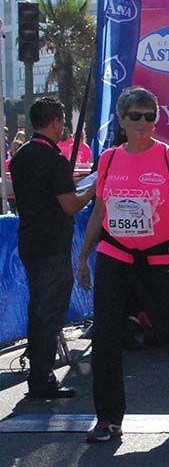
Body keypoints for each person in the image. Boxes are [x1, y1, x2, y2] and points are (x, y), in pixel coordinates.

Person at [76, 86, 169, 443]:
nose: (143, 122)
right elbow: (101, 212)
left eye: (149, 116)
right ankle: (108, 418)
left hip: (158, 257)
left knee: (168, 329)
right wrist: (82, 257)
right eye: (135, 116)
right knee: (106, 335)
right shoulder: (108, 159)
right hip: (115, 255)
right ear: (122, 120)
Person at [10, 97, 96, 399]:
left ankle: (40, 372)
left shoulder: (20, 157)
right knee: (49, 311)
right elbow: (70, 204)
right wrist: (93, 188)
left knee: (39, 309)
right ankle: (42, 377)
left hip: (30, 239)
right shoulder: (54, 160)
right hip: (52, 244)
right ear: (56, 121)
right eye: (62, 122)